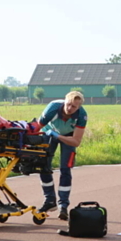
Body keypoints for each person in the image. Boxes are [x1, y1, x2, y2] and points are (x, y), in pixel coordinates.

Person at [38, 90, 88, 220]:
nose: (70, 108)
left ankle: (63, 205)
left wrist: (58, 136)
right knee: (43, 166)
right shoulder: (53, 107)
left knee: (65, 169)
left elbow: (76, 141)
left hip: (68, 137)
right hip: (48, 132)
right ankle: (50, 201)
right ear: (64, 101)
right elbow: (36, 127)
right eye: (68, 104)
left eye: (74, 106)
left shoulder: (82, 115)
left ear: (79, 107)